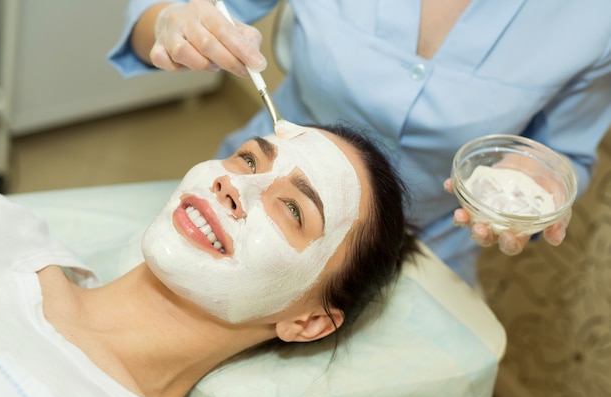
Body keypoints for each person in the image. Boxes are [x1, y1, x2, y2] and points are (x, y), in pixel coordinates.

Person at [108, 0, 611, 285]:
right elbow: (158, 19)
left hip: (430, 251)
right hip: (253, 214)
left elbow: (566, 154)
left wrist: (538, 180)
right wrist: (174, 21)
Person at [0, 122, 418, 397]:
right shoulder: (0, 231)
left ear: (308, 323)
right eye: (249, 160)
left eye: (292, 208)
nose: (235, 184)